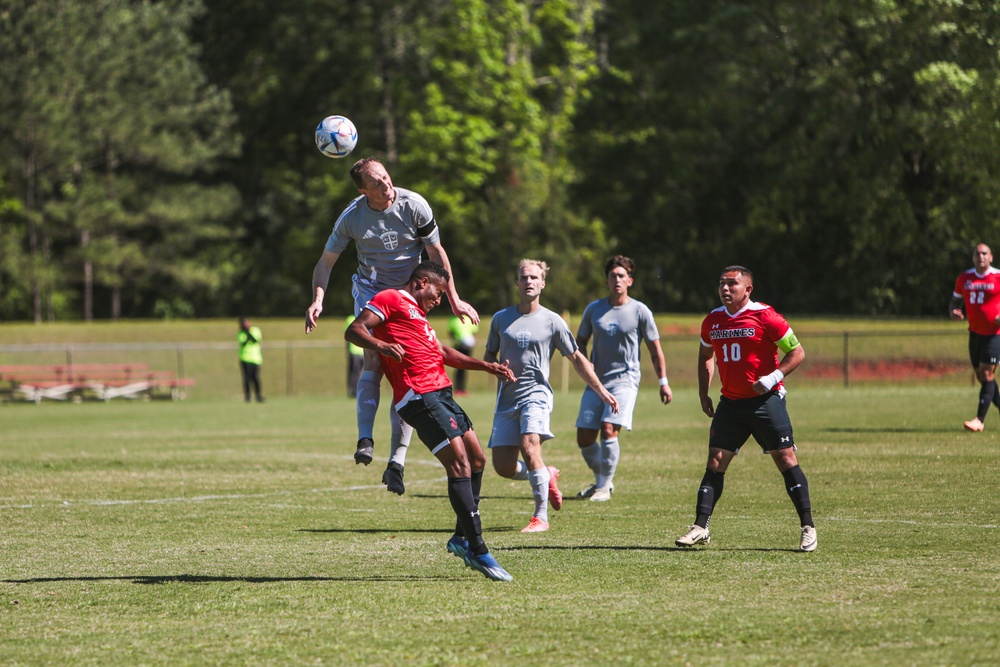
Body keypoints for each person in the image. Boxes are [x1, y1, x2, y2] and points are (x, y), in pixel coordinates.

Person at [305, 157, 479, 496]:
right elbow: (325, 263)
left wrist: (454, 298)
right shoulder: (352, 218)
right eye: (378, 185)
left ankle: (396, 461)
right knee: (373, 360)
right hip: (372, 293)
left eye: (387, 178)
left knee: (408, 374)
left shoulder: (414, 204)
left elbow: (437, 252)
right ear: (363, 191)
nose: (388, 187)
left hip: (411, 295)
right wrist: (317, 299)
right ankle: (365, 439)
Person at [345, 261, 517, 581]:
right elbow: (354, 329)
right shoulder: (391, 299)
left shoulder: (420, 317)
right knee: (460, 464)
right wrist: (382, 345)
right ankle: (478, 549)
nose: (439, 301)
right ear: (422, 282)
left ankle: (460, 538)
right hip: (417, 396)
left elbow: (444, 353)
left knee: (477, 459)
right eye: (438, 294)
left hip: (442, 393)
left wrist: (486, 366)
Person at [675, 265, 817, 552]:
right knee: (715, 460)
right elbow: (705, 356)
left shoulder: (766, 316)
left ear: (748, 289)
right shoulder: (712, 320)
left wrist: (773, 377)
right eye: (722, 284)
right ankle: (700, 527)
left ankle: (808, 527)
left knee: (785, 459)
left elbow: (797, 351)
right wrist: (703, 394)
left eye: (732, 284)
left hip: (766, 402)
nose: (725, 289)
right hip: (730, 404)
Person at [485, 259, 619, 533]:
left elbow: (577, 358)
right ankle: (546, 474)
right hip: (507, 399)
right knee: (503, 467)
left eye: (534, 277)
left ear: (543, 283)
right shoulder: (500, 319)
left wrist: (601, 390)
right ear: (517, 282)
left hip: (536, 395)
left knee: (529, 443)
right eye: (524, 277)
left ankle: (540, 517)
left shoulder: (552, 321)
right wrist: (494, 368)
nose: (529, 282)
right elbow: (489, 355)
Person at [574, 256, 672, 502]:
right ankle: (601, 480)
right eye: (612, 276)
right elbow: (580, 342)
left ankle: (604, 487)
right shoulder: (593, 309)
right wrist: (586, 363)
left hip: (625, 381)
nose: (617, 279)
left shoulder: (640, 311)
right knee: (584, 437)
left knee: (608, 429)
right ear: (606, 281)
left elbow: (654, 349)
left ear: (630, 280)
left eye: (621, 276)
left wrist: (663, 381)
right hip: (596, 382)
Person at [949, 243, 1000, 432]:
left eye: (985, 253)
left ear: (991, 257)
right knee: (982, 377)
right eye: (977, 254)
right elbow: (955, 301)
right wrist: (953, 312)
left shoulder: (998, 277)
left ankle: (979, 420)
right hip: (975, 334)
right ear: (973, 258)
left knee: (987, 373)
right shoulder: (965, 278)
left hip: (995, 335)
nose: (981, 257)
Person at [448, 315, 479, 395]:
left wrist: (473, 343)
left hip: (467, 347)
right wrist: (456, 341)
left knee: (465, 367)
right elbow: (451, 333)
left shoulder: (469, 319)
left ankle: (462, 389)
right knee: (458, 368)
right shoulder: (453, 319)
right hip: (458, 346)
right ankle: (457, 389)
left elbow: (474, 332)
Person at [237, 317, 264, 403]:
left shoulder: (255, 330)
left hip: (256, 359)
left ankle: (258, 395)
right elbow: (243, 343)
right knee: (246, 378)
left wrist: (249, 331)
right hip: (245, 358)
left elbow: (256, 340)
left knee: (256, 378)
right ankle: (247, 396)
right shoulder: (241, 333)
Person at [344, 314, 365, 398]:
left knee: (355, 372)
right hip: (358, 351)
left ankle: (354, 390)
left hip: (357, 351)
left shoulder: (350, 319)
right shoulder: (363, 317)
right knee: (357, 372)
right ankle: (354, 390)